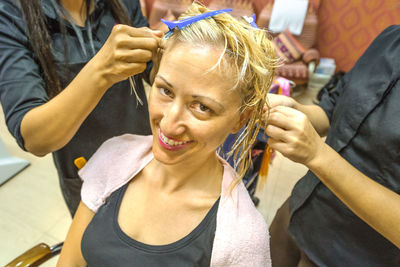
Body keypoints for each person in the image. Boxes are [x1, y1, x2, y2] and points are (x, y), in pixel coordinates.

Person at [57, 3, 278, 266]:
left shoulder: (242, 237)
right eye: (165, 91)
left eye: (202, 107)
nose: (169, 125)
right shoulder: (113, 158)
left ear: (241, 119)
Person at [0, 0, 162, 216]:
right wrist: (101, 70)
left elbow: (152, 70)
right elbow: (34, 137)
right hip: (84, 171)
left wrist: (166, 54)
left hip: (143, 153)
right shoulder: (11, 13)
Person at [265, 25, 400, 266]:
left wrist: (318, 155)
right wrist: (295, 110)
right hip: (299, 214)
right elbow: (333, 107)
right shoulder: (391, 38)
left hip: (353, 254)